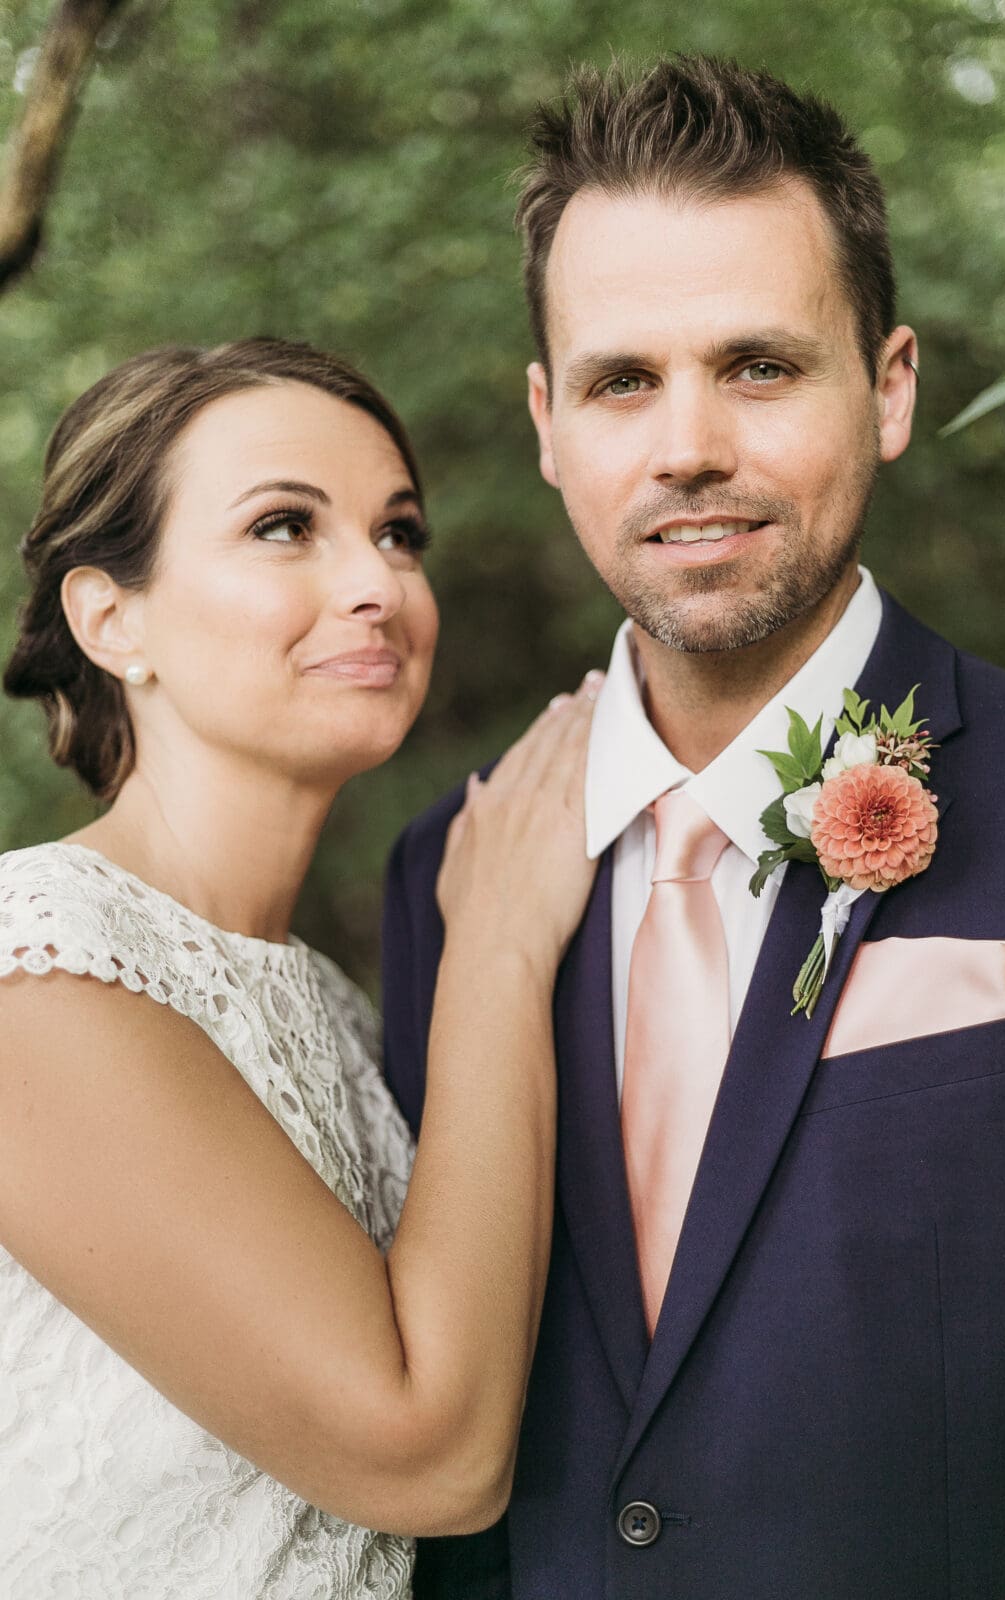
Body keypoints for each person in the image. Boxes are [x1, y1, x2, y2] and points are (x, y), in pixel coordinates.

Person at [381, 56, 1005, 1600]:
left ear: (885, 387)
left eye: (756, 366)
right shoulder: (443, 868)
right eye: (623, 381)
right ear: (549, 425)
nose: (684, 445)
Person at [0, 336, 600, 1599]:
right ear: (111, 618)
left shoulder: (331, 1003)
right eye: (285, 526)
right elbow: (428, 1457)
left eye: (397, 532)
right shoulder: (36, 972)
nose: (375, 583)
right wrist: (497, 940)